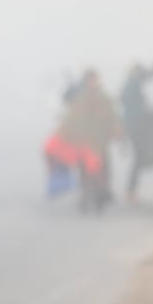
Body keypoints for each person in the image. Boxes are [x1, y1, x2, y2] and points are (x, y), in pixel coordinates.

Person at [49, 68, 121, 210]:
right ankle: (86, 195)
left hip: (100, 140)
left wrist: (117, 131)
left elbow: (112, 117)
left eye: (95, 79)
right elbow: (71, 118)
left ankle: (101, 193)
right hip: (84, 141)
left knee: (103, 168)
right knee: (84, 170)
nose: (93, 82)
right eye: (91, 80)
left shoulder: (103, 97)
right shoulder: (79, 98)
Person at [119, 51, 153, 203]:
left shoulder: (132, 84)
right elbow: (151, 73)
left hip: (137, 126)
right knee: (138, 159)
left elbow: (152, 73)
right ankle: (130, 191)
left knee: (138, 160)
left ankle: (130, 191)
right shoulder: (131, 86)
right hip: (137, 127)